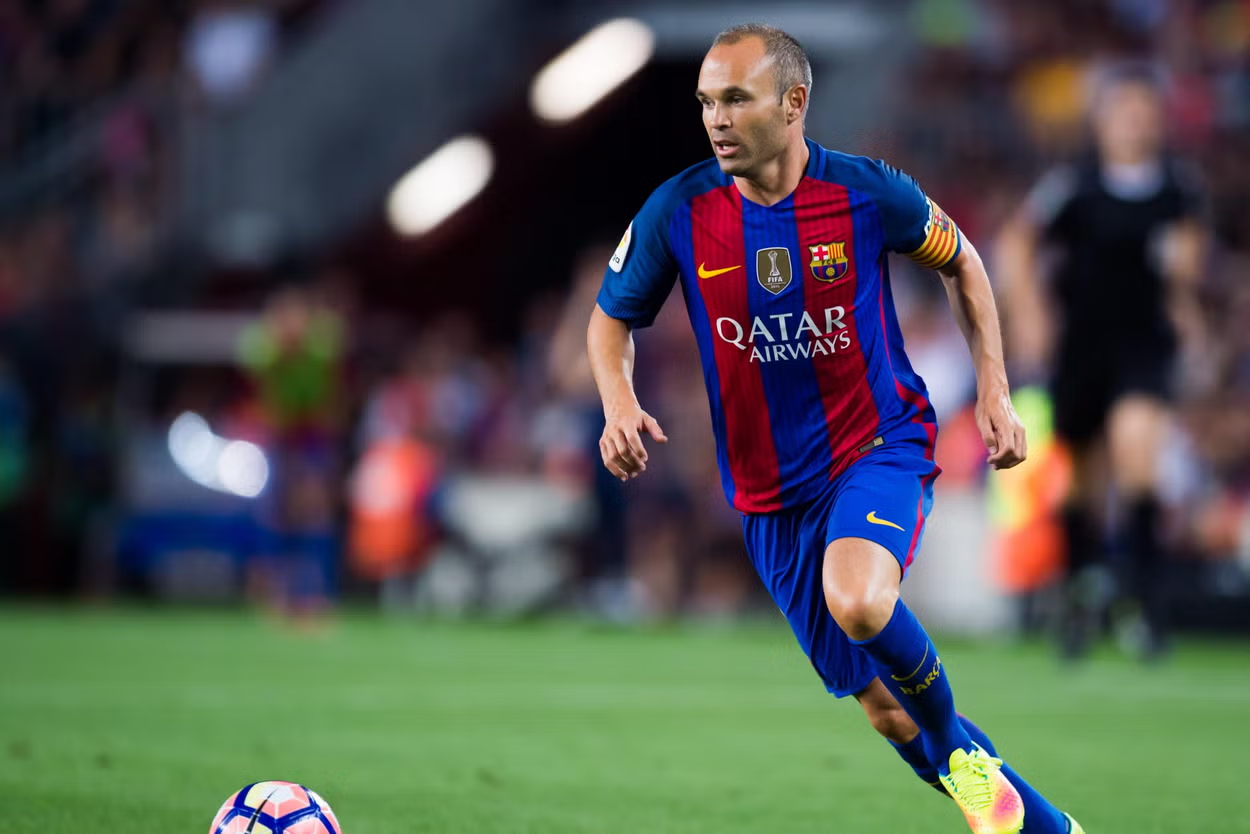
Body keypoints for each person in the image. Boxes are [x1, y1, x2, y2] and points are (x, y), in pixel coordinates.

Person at [587, 24, 1083, 834]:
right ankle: (1046, 827)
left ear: (793, 103)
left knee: (857, 599)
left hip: (875, 447)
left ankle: (959, 752)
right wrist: (618, 401)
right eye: (707, 101)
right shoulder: (680, 208)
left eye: (735, 99)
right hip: (769, 498)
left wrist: (994, 388)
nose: (715, 118)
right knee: (889, 713)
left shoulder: (864, 192)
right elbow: (610, 321)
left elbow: (962, 259)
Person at [998, 65, 1207, 662]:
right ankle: (1080, 594)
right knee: (1083, 481)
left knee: (1138, 459)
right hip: (1083, 346)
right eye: (1124, 113)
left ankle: (1146, 602)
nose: (1135, 124)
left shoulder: (1176, 187)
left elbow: (1186, 262)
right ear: (1103, 122)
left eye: (1144, 113)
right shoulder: (1075, 186)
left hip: (1144, 344)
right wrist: (1031, 311)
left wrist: (1184, 293)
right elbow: (1019, 240)